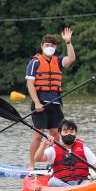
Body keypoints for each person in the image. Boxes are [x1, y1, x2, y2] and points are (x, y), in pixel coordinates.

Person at [25, 28, 76, 170]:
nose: (49, 48)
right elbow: (30, 84)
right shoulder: (34, 62)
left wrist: (68, 42)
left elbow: (71, 59)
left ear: (55, 48)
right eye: (47, 45)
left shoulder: (58, 61)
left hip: (55, 104)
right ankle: (31, 164)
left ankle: (56, 163)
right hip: (40, 105)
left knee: (56, 134)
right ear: (42, 46)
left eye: (52, 46)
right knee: (38, 136)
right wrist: (36, 102)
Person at [33, 120, 96, 187]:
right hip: (61, 184)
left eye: (71, 131)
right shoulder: (53, 150)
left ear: (75, 133)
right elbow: (37, 159)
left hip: (82, 183)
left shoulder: (84, 149)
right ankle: (72, 189)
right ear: (59, 134)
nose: (69, 134)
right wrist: (44, 144)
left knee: (90, 183)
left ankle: (76, 190)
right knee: (52, 182)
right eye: (65, 131)